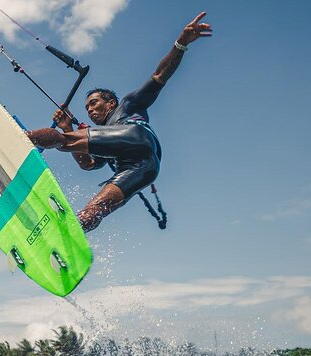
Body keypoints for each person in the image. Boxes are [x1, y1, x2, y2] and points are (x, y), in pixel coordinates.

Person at [27, 12, 212, 232]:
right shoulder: (104, 137)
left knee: (64, 140)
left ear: (111, 103)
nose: (90, 109)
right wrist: (67, 127)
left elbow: (160, 76)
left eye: (94, 103)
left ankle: (21, 139)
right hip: (147, 167)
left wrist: (181, 43)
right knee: (96, 209)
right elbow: (88, 165)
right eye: (87, 107)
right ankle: (70, 233)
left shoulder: (128, 104)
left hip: (135, 136)